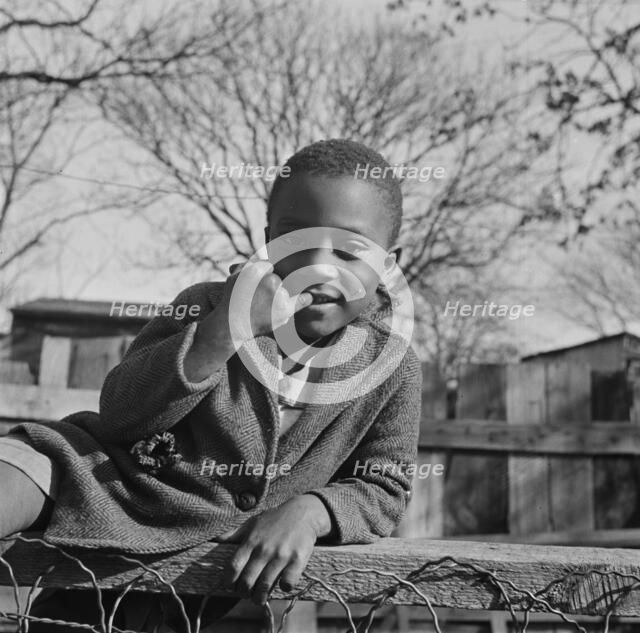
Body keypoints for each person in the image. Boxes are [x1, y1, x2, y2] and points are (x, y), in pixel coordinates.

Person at [0, 139, 423, 632]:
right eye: (296, 240)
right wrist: (226, 329)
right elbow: (121, 414)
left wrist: (312, 512)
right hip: (105, 482)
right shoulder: (205, 306)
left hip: (212, 568)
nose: (319, 266)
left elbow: (384, 486)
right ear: (268, 241)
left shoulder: (391, 367)